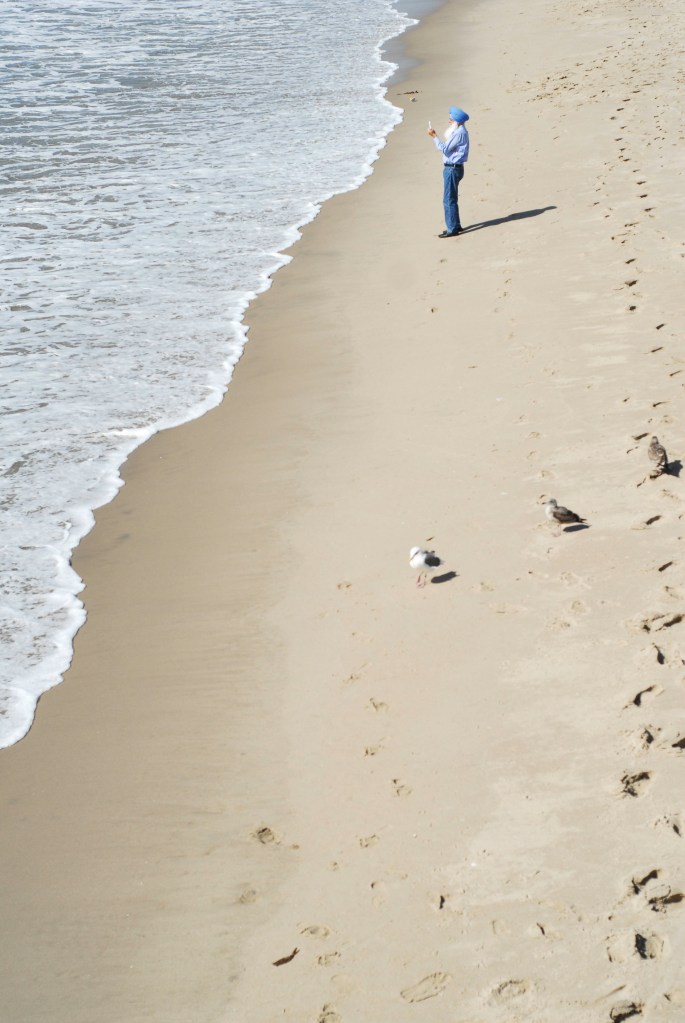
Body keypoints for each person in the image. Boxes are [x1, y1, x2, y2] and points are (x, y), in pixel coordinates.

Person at [427, 106, 470, 238]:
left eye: (451, 119)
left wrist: (434, 136)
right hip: (455, 168)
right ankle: (455, 225)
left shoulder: (458, 133)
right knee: (452, 198)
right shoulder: (460, 131)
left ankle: (452, 228)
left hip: (452, 169)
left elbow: (444, 149)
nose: (449, 121)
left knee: (448, 200)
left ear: (457, 121)